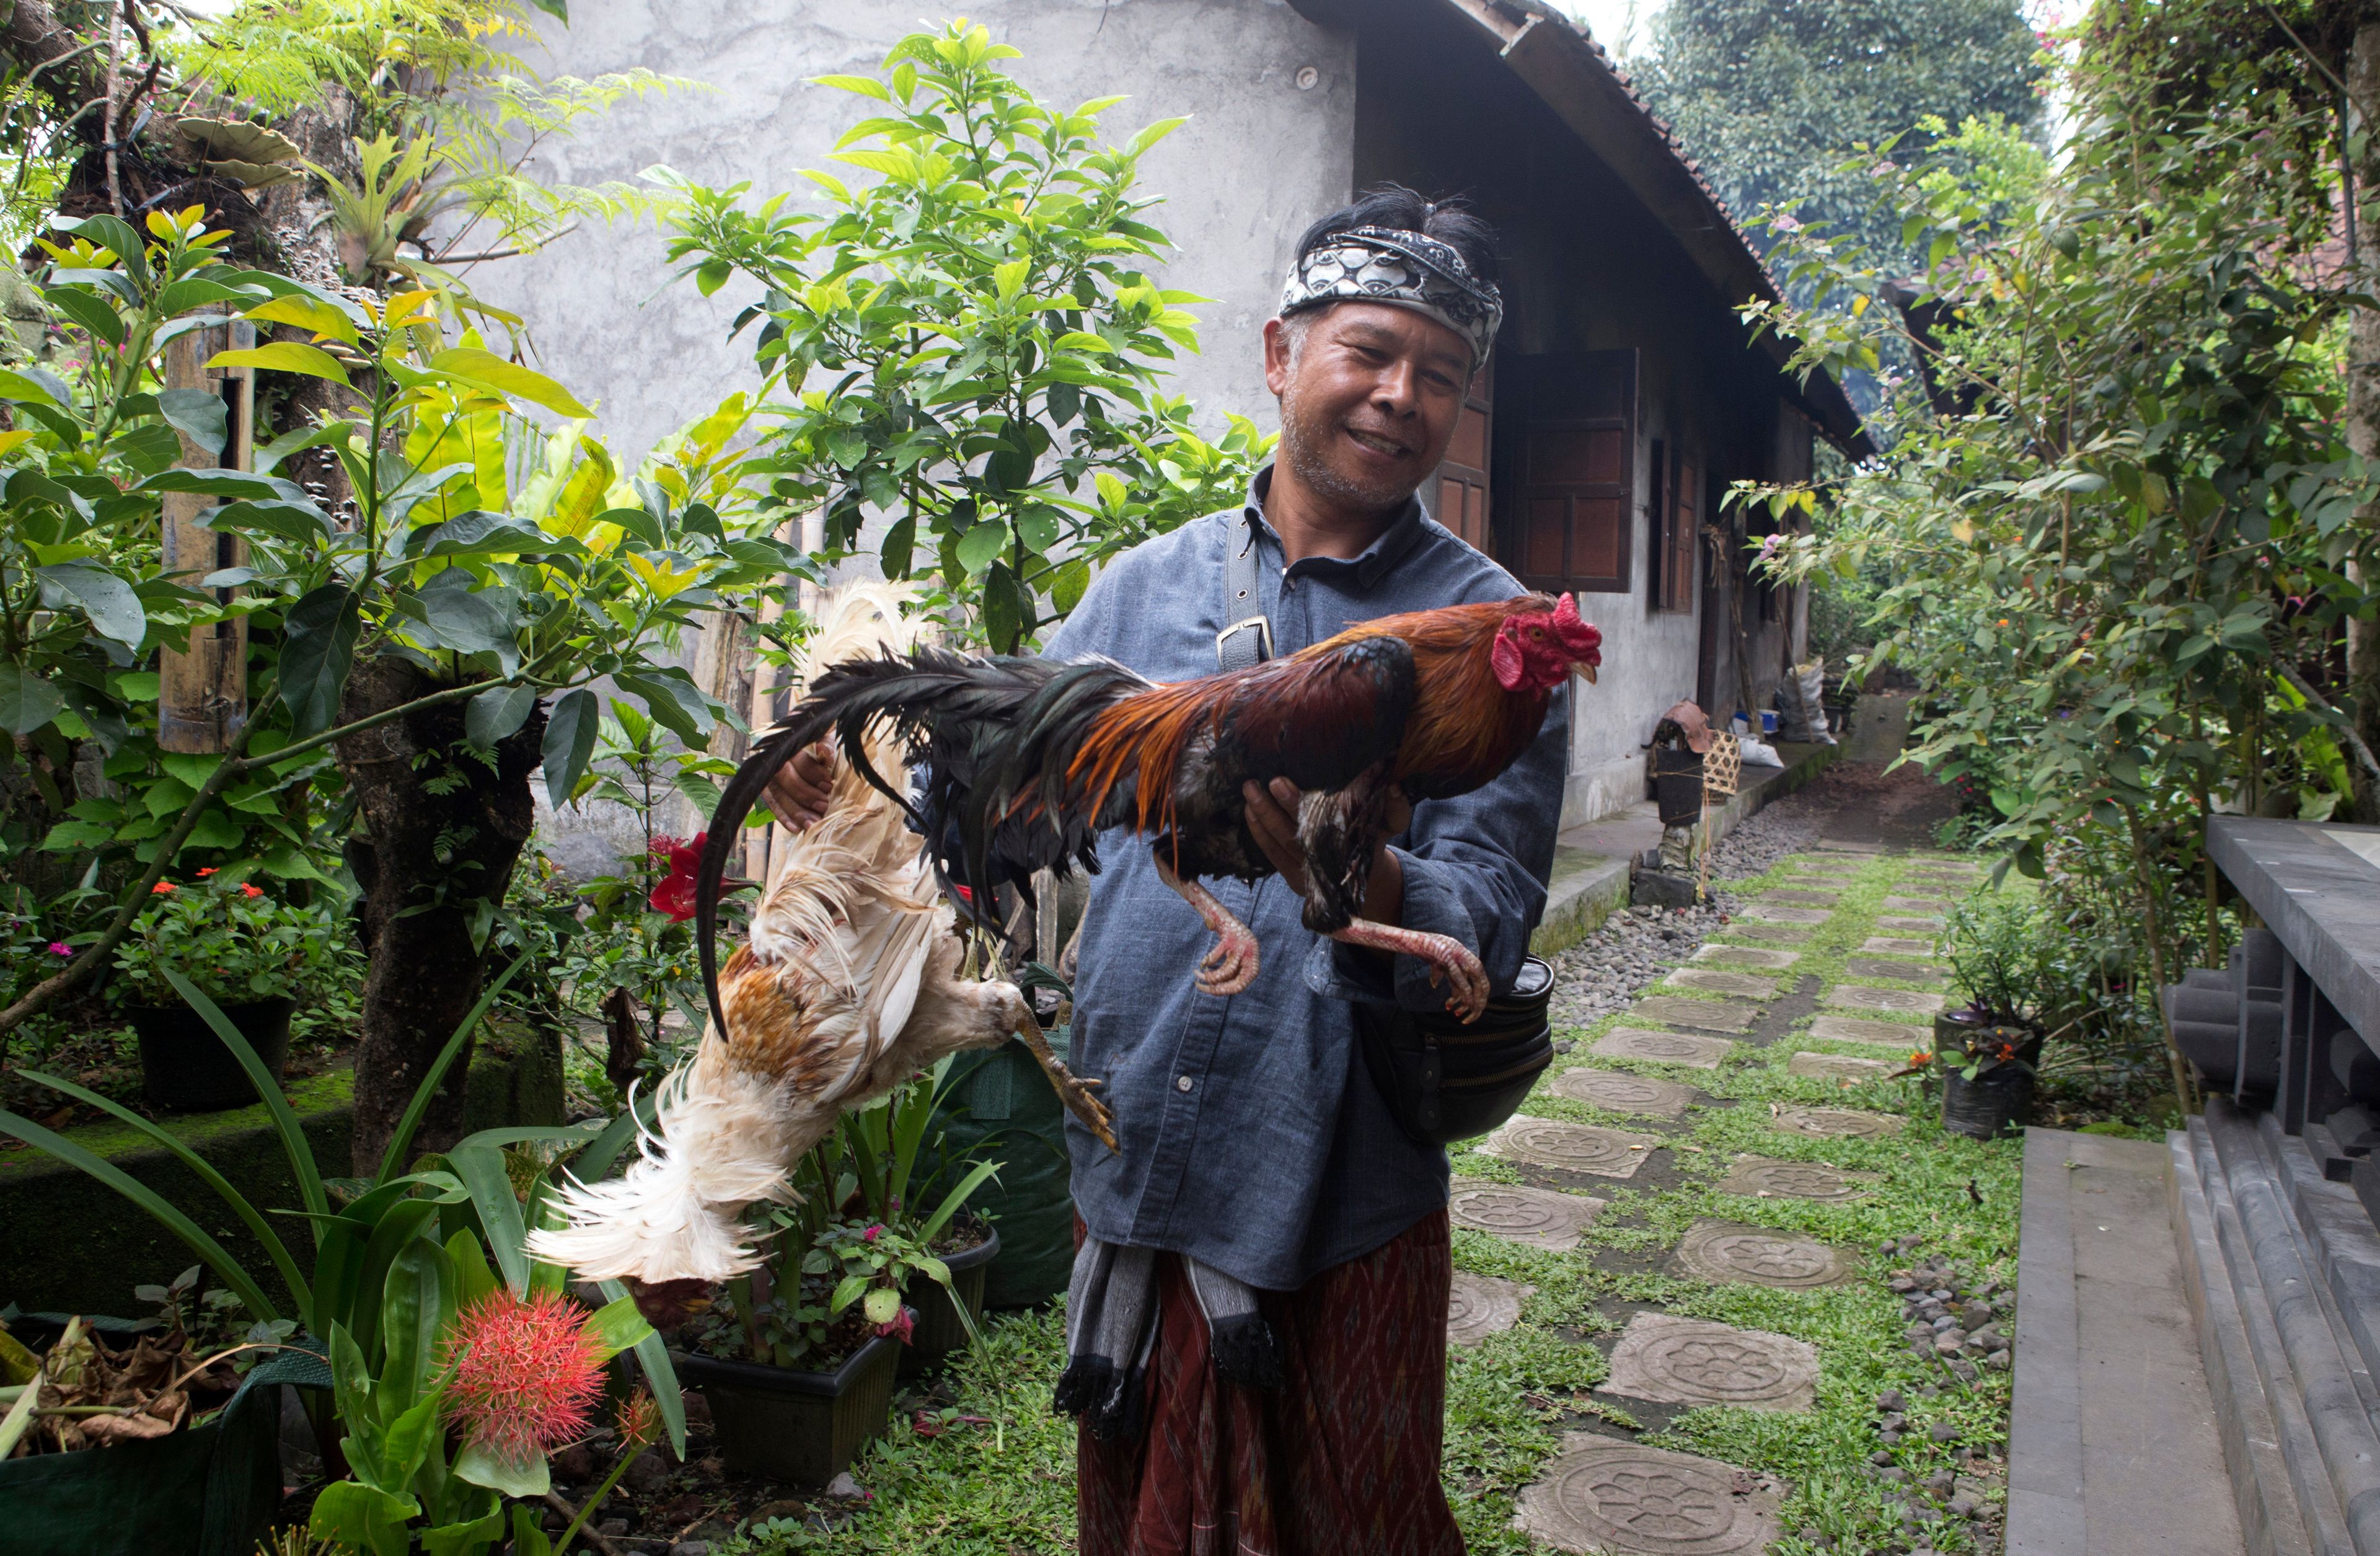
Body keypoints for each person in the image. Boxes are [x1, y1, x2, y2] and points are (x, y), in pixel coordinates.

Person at [766, 185, 1567, 1556]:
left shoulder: (1498, 631)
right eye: (1368, 351)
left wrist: (1363, 876)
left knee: (1348, 1522)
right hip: (1136, 1133)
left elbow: (1490, 910)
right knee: (1142, 1512)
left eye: (1438, 375)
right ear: (1280, 354)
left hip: (1342, 1173)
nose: (1398, 395)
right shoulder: (1141, 587)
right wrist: (854, 774)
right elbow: (1024, 798)